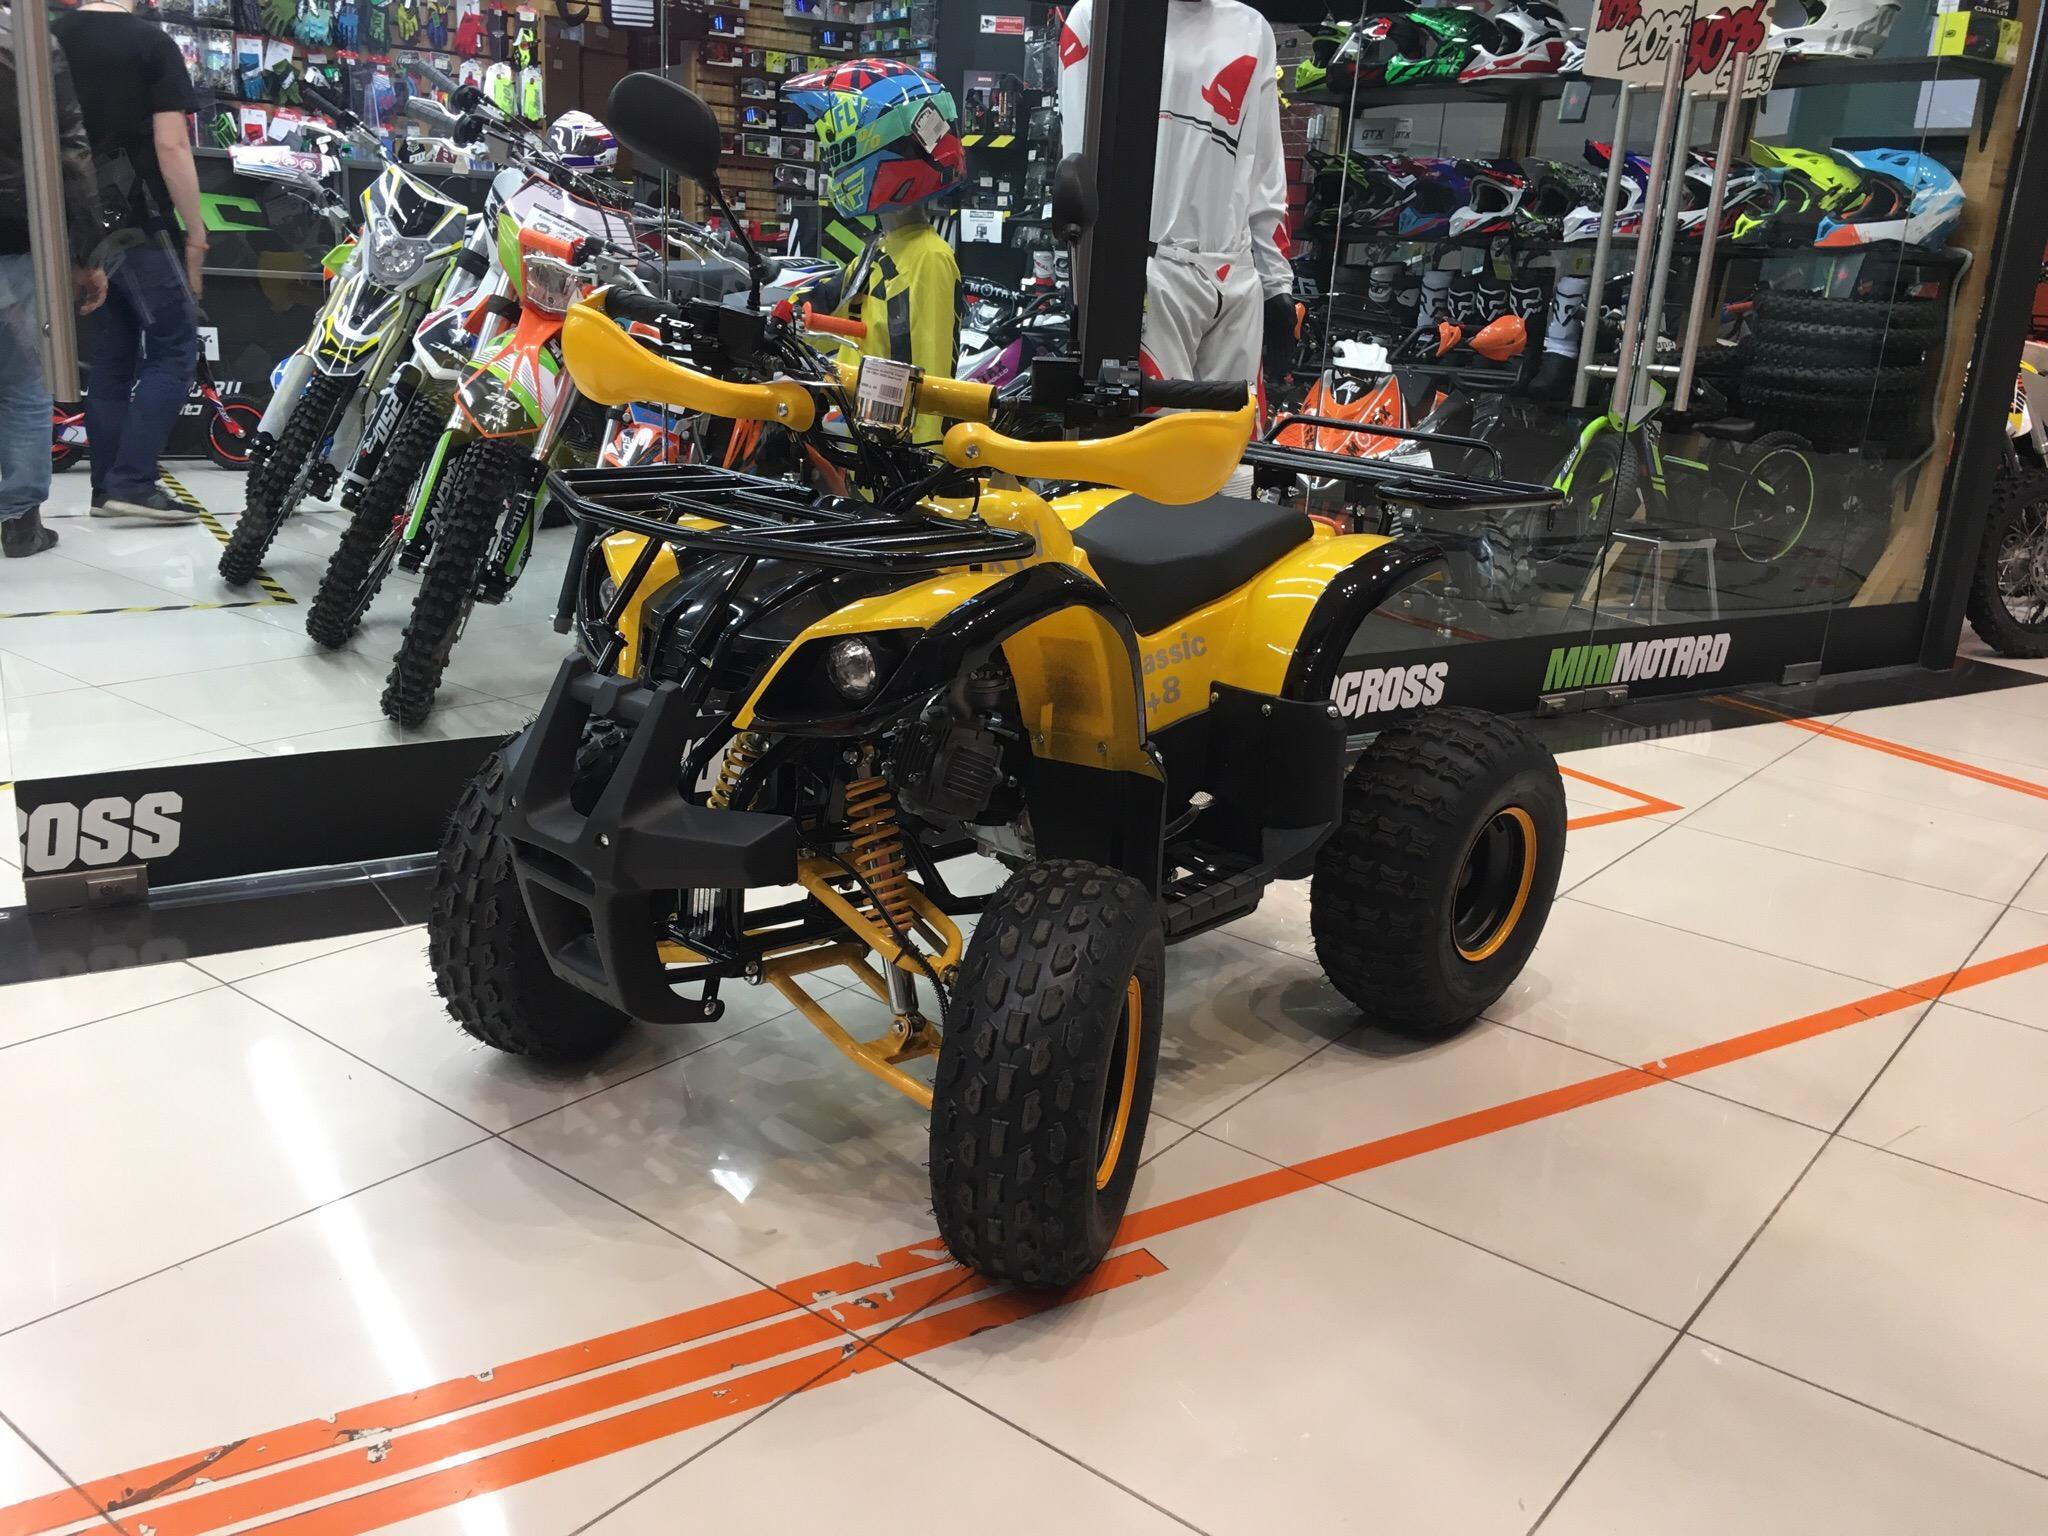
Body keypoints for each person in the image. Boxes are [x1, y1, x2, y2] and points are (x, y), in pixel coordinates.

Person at [1057, 0, 1295, 395]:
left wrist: (1276, 283)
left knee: (1234, 431)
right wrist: (1088, 283)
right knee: (1156, 428)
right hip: (1151, 274)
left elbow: (1265, 164)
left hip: (1235, 276)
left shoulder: (1251, 28)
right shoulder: (1098, 16)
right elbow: (1079, 156)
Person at [52, 0, 206, 523]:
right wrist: (196, 232)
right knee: (175, 345)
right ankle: (132, 481)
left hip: (73, 219)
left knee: (113, 355)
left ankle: (107, 487)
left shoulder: (51, 39)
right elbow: (172, 146)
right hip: (135, 217)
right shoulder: (151, 43)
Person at [783, 60, 965, 442]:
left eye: (843, 148)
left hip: (891, 465)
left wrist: (918, 463)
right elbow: (828, 310)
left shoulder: (928, 258)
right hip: (860, 451)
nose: (835, 160)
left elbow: (929, 386)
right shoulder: (880, 250)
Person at [0, 4, 108, 557]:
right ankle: (20, 523)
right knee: (23, 384)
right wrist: (85, 252)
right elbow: (69, 147)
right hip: (17, 231)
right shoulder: (27, 38)